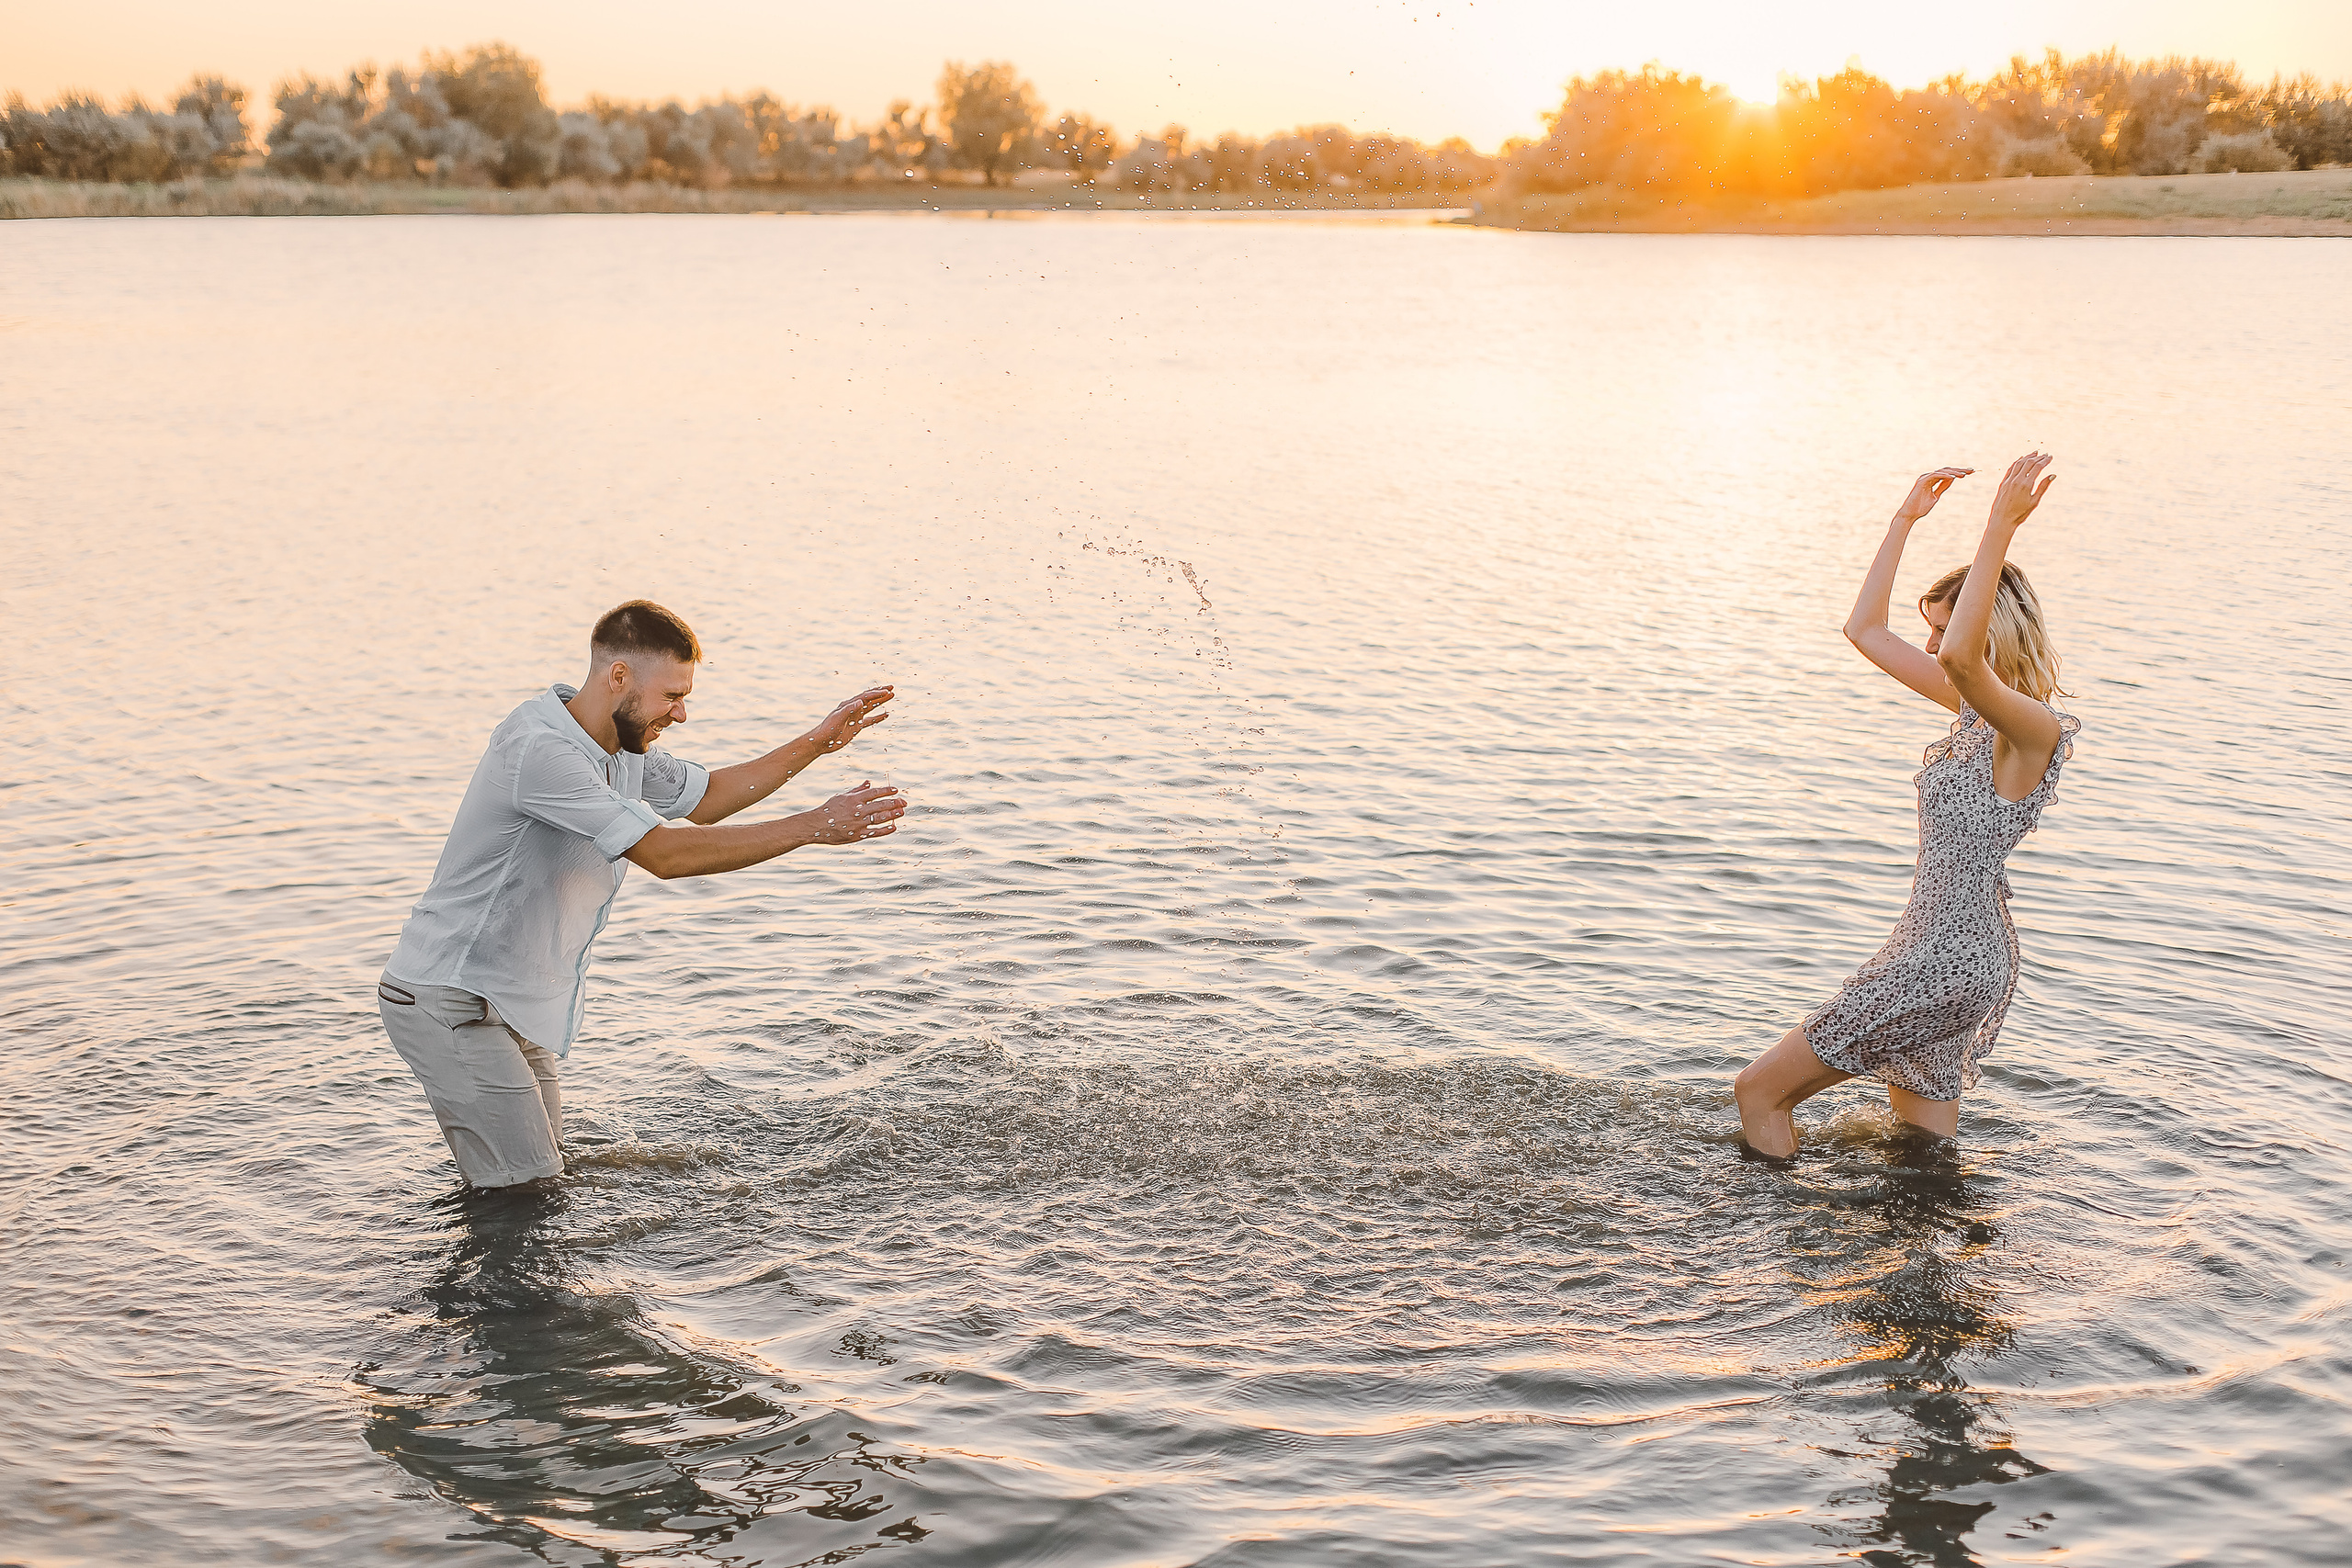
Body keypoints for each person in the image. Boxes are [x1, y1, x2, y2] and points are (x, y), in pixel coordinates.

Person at [375, 600, 906, 1190]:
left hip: (508, 1002)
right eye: (671, 697)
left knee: (539, 1179)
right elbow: (665, 855)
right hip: (452, 999)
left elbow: (709, 799)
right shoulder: (542, 750)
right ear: (619, 676)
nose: (681, 714)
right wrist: (813, 826)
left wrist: (818, 743)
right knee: (524, 1189)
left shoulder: (620, 746)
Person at [1734, 456, 2081, 1158]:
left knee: (1758, 1091)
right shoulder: (1979, 713)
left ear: (1991, 630)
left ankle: (1756, 1222)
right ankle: (1936, 1222)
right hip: (1943, 949)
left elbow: (1959, 659)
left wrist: (2000, 526)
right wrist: (1903, 519)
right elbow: (1864, 629)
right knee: (1918, 1149)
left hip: (1942, 957)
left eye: (1944, 627)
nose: (1931, 644)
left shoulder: (2031, 728)